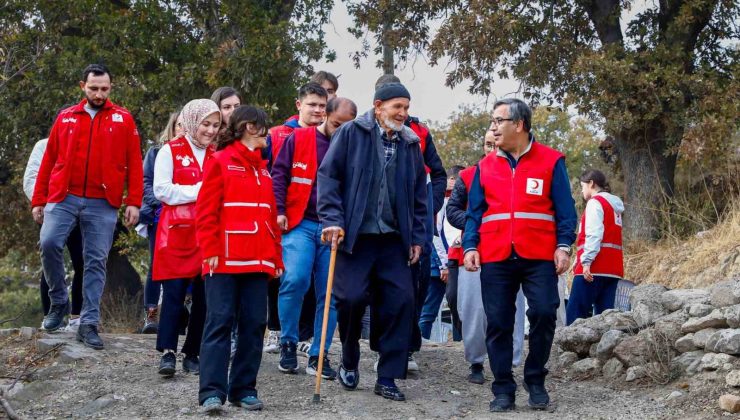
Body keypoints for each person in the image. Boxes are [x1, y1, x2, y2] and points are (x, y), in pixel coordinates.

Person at [463, 98, 577, 411]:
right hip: (496, 255)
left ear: (520, 125)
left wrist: (564, 245)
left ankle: (535, 378)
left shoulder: (552, 161)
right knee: (498, 321)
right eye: (492, 121)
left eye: (499, 121)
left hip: (540, 255)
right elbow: (474, 213)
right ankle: (502, 388)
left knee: (543, 313)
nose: (493, 127)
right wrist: (471, 246)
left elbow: (566, 210)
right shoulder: (484, 168)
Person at [318, 82, 427, 402]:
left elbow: (420, 195)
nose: (403, 114)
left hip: (394, 239)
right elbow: (329, 177)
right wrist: (332, 219)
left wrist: (418, 236)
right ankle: (349, 354)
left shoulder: (410, 144)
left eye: (407, 108)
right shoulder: (352, 133)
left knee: (401, 301)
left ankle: (387, 375)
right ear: (378, 106)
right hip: (356, 237)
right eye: (398, 107)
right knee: (350, 299)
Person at [32, 63, 143, 350]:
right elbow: (49, 160)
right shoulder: (66, 116)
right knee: (49, 243)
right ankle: (59, 301)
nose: (99, 93)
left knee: (95, 260)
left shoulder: (123, 119)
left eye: (104, 88)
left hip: (102, 201)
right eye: (94, 88)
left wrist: (133, 201)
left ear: (111, 88)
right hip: (63, 196)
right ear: (83, 86)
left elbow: (135, 163)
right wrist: (39, 199)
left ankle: (89, 323)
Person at [196, 106, 284, 413]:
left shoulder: (262, 169)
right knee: (219, 322)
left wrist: (276, 258)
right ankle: (211, 392)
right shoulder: (220, 161)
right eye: (264, 127)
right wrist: (209, 252)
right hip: (224, 260)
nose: (268, 133)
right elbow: (205, 212)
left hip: (258, 262)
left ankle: (243, 389)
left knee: (254, 324)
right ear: (249, 127)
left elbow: (270, 218)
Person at [272, 97, 357, 378]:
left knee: (330, 291)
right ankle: (287, 341)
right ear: (325, 116)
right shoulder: (298, 139)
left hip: (334, 227)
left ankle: (319, 353)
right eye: (336, 124)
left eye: (347, 127)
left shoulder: (352, 146)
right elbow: (280, 174)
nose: (341, 131)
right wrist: (280, 210)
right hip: (301, 222)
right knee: (294, 279)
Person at [374, 74, 447, 372]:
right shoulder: (363, 130)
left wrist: (432, 206)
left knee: (415, 283)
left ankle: (408, 346)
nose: (400, 112)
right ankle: (383, 344)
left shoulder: (419, 131)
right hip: (378, 225)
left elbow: (439, 174)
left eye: (404, 105)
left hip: (415, 224)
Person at [447, 132, 526, 385]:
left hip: (513, 253)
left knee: (511, 308)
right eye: (488, 144)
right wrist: (477, 226)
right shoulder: (468, 176)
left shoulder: (521, 174)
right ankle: (476, 361)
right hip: (475, 252)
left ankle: (509, 363)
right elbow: (453, 210)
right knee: (474, 310)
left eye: (497, 143)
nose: (493, 148)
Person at [152, 99, 219, 376]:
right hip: (177, 234)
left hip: (207, 235)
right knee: (174, 294)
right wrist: (199, 190)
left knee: (205, 297)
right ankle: (167, 352)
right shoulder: (171, 150)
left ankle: (193, 352)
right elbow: (162, 190)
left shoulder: (217, 154)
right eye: (206, 124)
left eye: (215, 125)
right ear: (192, 121)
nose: (210, 130)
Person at [263, 83, 328, 355]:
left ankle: (309, 338)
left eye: (322, 106)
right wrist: (276, 210)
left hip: (325, 222)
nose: (317, 110)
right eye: (312, 104)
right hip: (291, 220)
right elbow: (272, 174)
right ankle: (279, 333)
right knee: (290, 277)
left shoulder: (334, 137)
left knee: (320, 286)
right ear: (299, 104)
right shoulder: (279, 135)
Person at [24, 136, 84, 332]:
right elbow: (31, 177)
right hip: (53, 210)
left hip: (82, 210)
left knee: (83, 262)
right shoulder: (43, 145)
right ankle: (51, 315)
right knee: (50, 260)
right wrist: (42, 203)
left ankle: (77, 318)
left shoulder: (86, 144)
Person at [138, 110, 185, 334]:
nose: (182, 129)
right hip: (160, 214)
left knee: (188, 265)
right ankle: (151, 313)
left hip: (189, 217)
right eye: (179, 125)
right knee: (157, 263)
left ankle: (182, 313)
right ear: (172, 127)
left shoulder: (199, 154)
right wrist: (158, 203)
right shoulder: (157, 152)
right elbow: (145, 181)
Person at [566, 169, 624, 325]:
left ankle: (570, 349)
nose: (582, 190)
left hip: (593, 268)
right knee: (604, 319)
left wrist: (585, 262)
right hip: (613, 271)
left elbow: (594, 235)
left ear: (591, 183)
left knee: (575, 315)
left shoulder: (595, 203)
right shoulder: (614, 207)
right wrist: (578, 259)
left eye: (583, 186)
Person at [439, 165, 465, 341]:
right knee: (453, 298)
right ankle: (459, 337)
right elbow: (438, 230)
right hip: (453, 257)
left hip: (474, 254)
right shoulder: (442, 201)